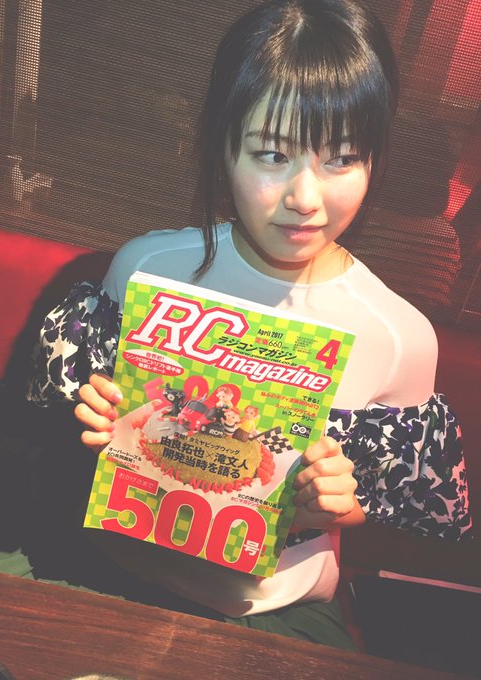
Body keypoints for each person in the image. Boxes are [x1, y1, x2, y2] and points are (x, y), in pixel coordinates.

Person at [25, 0, 471, 650]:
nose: (305, 198)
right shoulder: (147, 269)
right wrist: (93, 416)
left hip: (275, 611)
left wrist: (344, 503)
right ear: (222, 146)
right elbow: (86, 426)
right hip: (105, 569)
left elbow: (393, 506)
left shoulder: (399, 337)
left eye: (343, 158)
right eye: (271, 154)